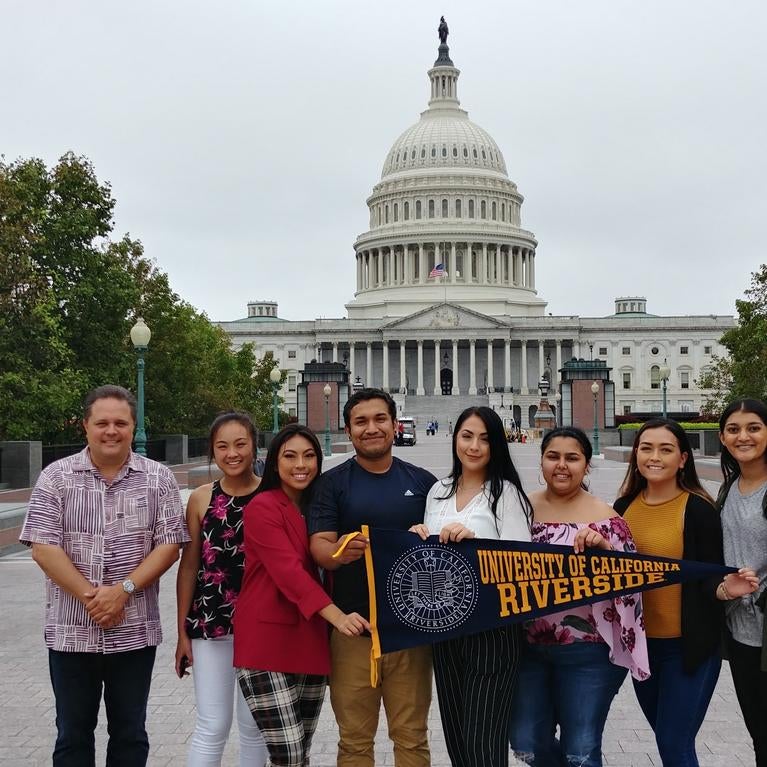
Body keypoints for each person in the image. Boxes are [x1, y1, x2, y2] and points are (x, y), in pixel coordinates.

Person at [20, 385, 189, 767]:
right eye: (102, 423)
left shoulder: (158, 479)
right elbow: (43, 546)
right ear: (86, 427)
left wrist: (123, 591)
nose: (111, 430)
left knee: (130, 733)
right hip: (70, 632)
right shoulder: (56, 478)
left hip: (134, 632)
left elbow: (169, 545)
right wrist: (92, 597)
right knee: (72, 734)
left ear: (133, 427)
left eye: (120, 423)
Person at [614, 417, 757, 766]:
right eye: (646, 448)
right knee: (670, 742)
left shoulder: (698, 509)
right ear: (635, 455)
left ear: (682, 459)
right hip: (643, 648)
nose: (654, 457)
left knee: (673, 743)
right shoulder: (621, 510)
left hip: (689, 648)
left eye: (666, 449)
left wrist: (725, 589)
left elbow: (707, 576)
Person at [308, 388, 437, 767]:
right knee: (354, 740)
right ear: (348, 430)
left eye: (379, 419)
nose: (371, 428)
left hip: (410, 633)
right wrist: (337, 553)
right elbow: (319, 545)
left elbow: (447, 553)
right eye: (361, 422)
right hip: (353, 630)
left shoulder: (425, 482)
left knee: (412, 738)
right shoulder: (331, 484)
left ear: (395, 425)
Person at [509, 426, 649, 767]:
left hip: (589, 653)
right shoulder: (517, 510)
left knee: (581, 751)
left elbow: (633, 589)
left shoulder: (607, 518)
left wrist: (606, 553)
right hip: (526, 648)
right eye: (553, 456)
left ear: (586, 465)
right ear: (541, 461)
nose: (562, 465)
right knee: (526, 741)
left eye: (572, 458)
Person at [234, 424, 370, 767]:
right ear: (274, 462)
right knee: (289, 752)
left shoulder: (318, 508)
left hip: (309, 638)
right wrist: (339, 617)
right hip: (267, 641)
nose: (301, 464)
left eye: (310, 456)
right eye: (290, 456)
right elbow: (288, 573)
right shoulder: (263, 507)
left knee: (299, 752)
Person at [410, 406, 533, 766]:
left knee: (483, 747)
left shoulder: (506, 494)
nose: (475, 446)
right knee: (458, 742)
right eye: (467, 436)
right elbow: (432, 562)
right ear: (455, 438)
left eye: (485, 438)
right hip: (445, 627)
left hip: (492, 632)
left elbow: (521, 565)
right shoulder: (438, 491)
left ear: (497, 445)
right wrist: (419, 540)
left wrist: (475, 540)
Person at [175, 412, 268, 767]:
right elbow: (189, 565)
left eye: (240, 444)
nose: (232, 453)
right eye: (222, 446)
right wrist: (183, 630)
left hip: (262, 625)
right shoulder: (201, 498)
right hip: (210, 623)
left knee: (254, 726)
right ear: (212, 451)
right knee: (212, 725)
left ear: (254, 446)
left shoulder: (273, 494)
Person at [717, 400, 767, 766]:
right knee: (759, 733)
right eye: (733, 429)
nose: (743, 436)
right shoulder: (729, 489)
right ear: (722, 437)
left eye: (753, 427)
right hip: (742, 632)